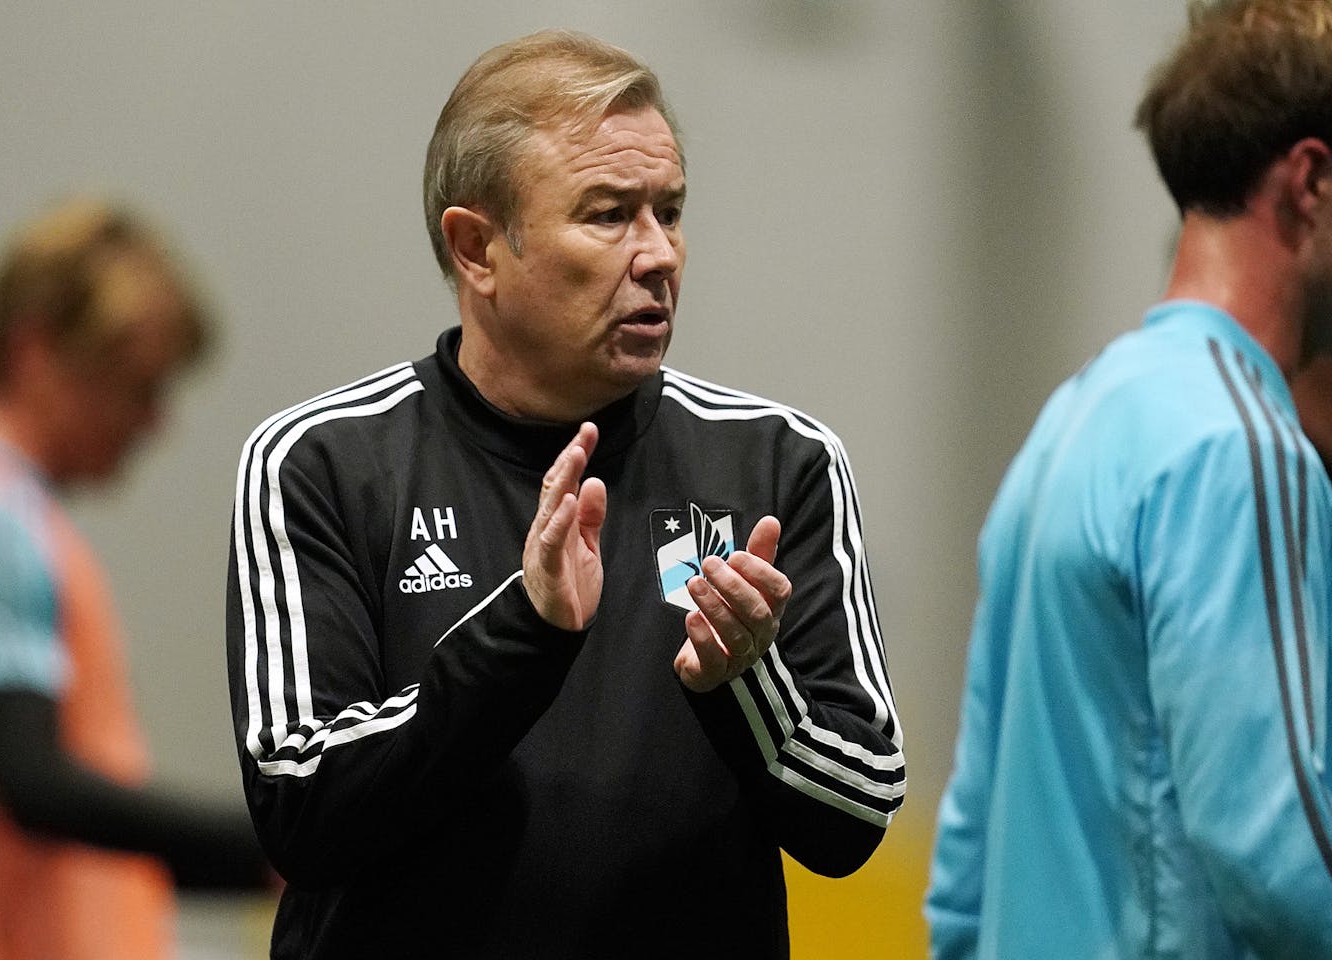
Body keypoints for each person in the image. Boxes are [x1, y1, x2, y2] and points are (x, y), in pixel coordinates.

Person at [226, 29, 905, 959]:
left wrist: (747, 685)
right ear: (477, 250)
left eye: (669, 211)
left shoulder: (777, 465)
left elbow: (855, 811)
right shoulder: (322, 463)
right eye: (608, 214)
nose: (659, 254)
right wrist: (524, 636)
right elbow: (302, 807)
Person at [925, 2, 1332, 957]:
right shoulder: (1244, 446)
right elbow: (1284, 861)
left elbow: (965, 871)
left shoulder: (1076, 418)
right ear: (1311, 181)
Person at [0, 197, 267, 959]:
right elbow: (34, 785)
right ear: (35, 352)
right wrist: (279, 850)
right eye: (136, 386)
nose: (153, 423)